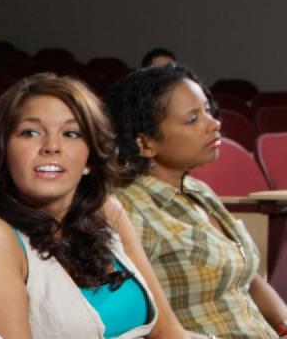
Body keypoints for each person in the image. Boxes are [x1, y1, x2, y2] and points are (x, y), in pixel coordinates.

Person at [0, 73, 187, 338]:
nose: (51, 146)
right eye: (30, 132)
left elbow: (168, 329)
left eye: (71, 133)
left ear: (89, 158)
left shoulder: (107, 210)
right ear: (4, 152)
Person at [107, 64, 287, 338]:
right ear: (145, 144)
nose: (214, 123)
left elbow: (247, 279)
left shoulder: (198, 190)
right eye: (192, 119)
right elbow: (132, 319)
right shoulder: (129, 209)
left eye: (208, 110)